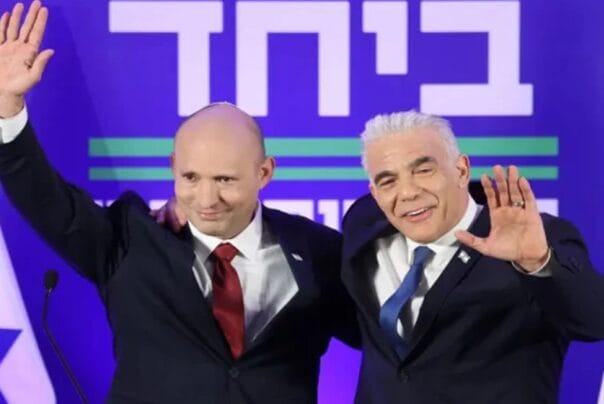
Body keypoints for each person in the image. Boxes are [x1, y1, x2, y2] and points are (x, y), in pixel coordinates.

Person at [0, 2, 358, 403]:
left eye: (224, 180)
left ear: (264, 172)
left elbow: (394, 351)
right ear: (173, 166)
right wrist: (7, 109)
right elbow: (44, 199)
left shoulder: (317, 251)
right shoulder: (129, 239)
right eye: (190, 177)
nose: (206, 199)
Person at [342, 110, 604, 403]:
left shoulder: (533, 240)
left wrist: (537, 262)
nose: (408, 192)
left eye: (424, 170)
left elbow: (595, 319)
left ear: (462, 170)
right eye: (388, 181)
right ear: (374, 192)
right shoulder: (362, 226)